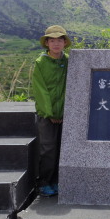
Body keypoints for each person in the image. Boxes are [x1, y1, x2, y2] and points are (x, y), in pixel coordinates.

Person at [31, 25, 71, 197]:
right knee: (48, 149)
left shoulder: (69, 61)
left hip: (66, 114)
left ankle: (57, 181)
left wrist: (62, 112)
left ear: (64, 43)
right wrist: (51, 113)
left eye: (59, 40)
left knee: (62, 149)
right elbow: (40, 91)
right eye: (52, 40)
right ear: (47, 43)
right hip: (46, 115)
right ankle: (44, 182)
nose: (56, 44)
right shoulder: (40, 63)